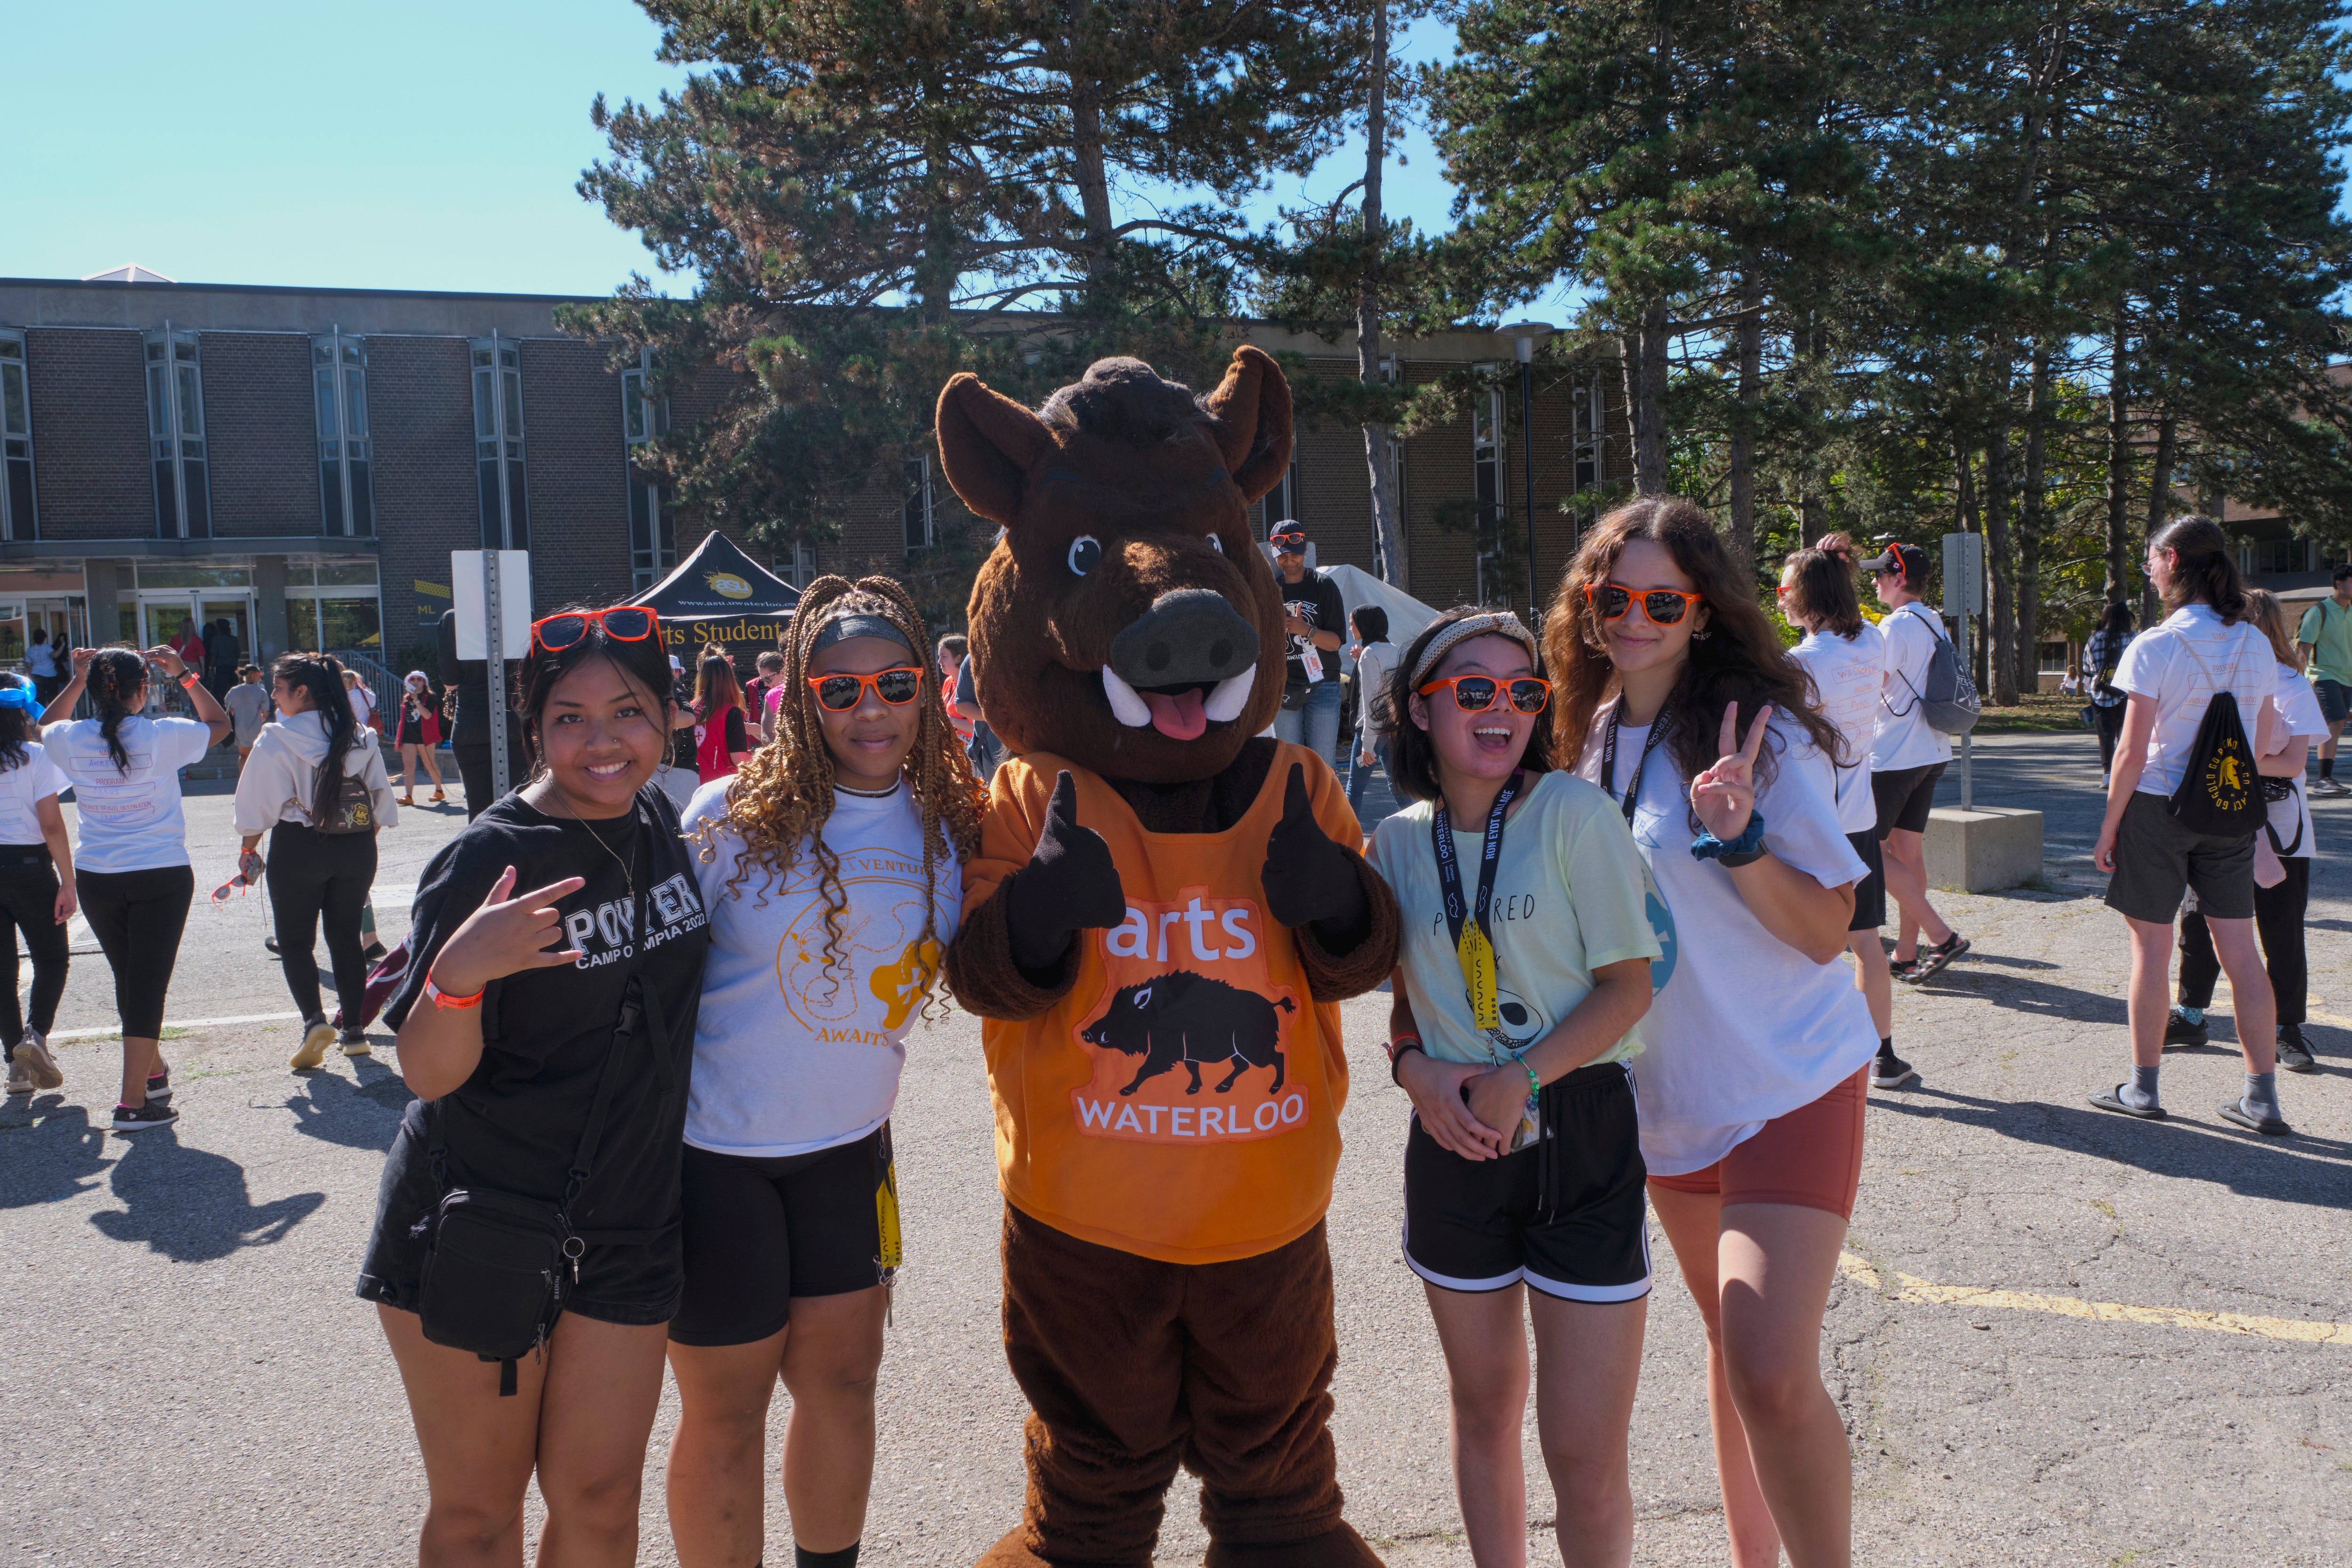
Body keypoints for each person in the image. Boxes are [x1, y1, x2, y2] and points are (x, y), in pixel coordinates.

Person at [1553, 497, 1875, 1568]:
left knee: (1770, 1366)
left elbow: (1830, 931)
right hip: (1670, 1098)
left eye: (1662, 600)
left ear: (1701, 613)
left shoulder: (1756, 732)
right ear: (1588, 606)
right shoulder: (1584, 734)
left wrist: (1737, 841)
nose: (1634, 617)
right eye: (1615, 597)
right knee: (1732, 1350)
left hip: (1788, 1078)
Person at [359, 602, 711, 1565]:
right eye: (569, 717)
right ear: (535, 728)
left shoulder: (661, 821)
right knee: (479, 1514)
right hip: (479, 1218)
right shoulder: (488, 858)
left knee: (600, 1500)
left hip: (630, 1222)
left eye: (629, 710)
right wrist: (461, 972)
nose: (601, 740)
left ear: (671, 715)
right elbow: (429, 1071)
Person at [668, 577, 983, 1568]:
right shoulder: (730, 816)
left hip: (849, 1153)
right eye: (837, 689)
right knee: (728, 1410)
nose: (869, 708)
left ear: (926, 689)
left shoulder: (953, 829)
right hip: (714, 1156)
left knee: (844, 1385)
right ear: (801, 696)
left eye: (893, 683)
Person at [1367, 607, 1659, 1568]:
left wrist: (1521, 1076)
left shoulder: (1576, 814)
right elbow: (1404, 1009)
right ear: (1420, 708)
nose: (1504, 709)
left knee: (1583, 1449)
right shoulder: (1395, 844)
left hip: (1578, 1128)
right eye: (1475, 690)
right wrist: (1415, 1074)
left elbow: (1629, 986)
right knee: (1483, 1409)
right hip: (1452, 1141)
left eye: (1523, 692)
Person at [2090, 514, 2289, 1136]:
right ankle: (2261, 1099)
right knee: (2242, 954)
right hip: (2228, 805)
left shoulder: (2154, 645)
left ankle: (2142, 1088)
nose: (2148, 569)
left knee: (2150, 949)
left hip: (2156, 803)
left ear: (2174, 561)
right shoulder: (2256, 643)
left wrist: (2109, 825)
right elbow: (2256, 746)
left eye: (2152, 558)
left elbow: (2130, 750)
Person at [40, 644, 231, 1132]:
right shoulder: (164, 734)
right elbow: (221, 724)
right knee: (145, 984)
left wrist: (77, 679)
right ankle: (131, 1104)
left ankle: (153, 1071)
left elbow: (42, 725)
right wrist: (185, 674)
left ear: (96, 688)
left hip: (98, 875)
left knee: (130, 978)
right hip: (160, 873)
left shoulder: (70, 737)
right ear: (142, 689)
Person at [2170, 588, 2325, 1075]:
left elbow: (2295, 762)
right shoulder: (2222, 682)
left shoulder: (2290, 685)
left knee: (2280, 927)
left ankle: (2287, 1029)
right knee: (2198, 919)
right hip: (2220, 819)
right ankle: (2190, 1014)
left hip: (2280, 828)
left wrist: (2231, 760)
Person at [1781, 535, 1910, 1090]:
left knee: (1796, 945)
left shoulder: (1799, 664)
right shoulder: (1873, 643)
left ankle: (1800, 1057)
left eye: (1784, 587)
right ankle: (1882, 1056)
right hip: (1857, 818)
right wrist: (1827, 562)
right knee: (1864, 943)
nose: (1778, 596)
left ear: (1804, 595)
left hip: (1810, 824)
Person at [235, 652, 399, 1068]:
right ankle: (356, 1031)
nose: (273, 695)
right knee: (346, 938)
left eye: (278, 687)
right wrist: (356, 838)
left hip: (299, 844)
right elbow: (381, 800)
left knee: (295, 941)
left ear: (302, 691)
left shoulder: (277, 738)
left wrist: (248, 850)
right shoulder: (359, 734)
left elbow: (257, 806)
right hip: (357, 844)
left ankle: (314, 1022)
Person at [1860, 542, 1970, 982]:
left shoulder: (1894, 627)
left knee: (1864, 847)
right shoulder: (1933, 620)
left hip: (1894, 753)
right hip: (1932, 750)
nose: (1874, 580)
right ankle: (1906, 953)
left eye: (1880, 573)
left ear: (1899, 578)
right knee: (1908, 852)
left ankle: (1942, 936)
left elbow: (1872, 686)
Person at [0, 679, 74, 1099]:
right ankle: (37, 1035)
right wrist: (68, 881)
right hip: (30, 867)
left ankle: (16, 1068)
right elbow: (51, 824)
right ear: (22, 714)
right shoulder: (35, 756)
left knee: (1, 972)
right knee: (52, 958)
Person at [436, 605, 530, 822]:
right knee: (519, 808)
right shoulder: (522, 612)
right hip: (515, 720)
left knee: (479, 812)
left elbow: (450, 681)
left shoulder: (453, 619)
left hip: (471, 723)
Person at [1270, 522, 1347, 764]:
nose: (1290, 560)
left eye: (1295, 554)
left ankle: (1324, 805)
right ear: (1275, 555)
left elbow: (1335, 644)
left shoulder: (1324, 586)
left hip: (1322, 686)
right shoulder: (1270, 590)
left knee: (1323, 765)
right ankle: (1295, 805)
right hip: (1284, 687)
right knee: (1289, 765)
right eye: (1284, 556)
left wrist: (1306, 630)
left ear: (1304, 552)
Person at [2294, 561, 2352, 796]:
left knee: (2337, 726)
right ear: (2339, 584)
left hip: (2347, 678)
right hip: (2323, 675)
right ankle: (2323, 779)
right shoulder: (2319, 612)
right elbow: (2304, 649)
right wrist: (2299, 681)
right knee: (2335, 721)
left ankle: (2325, 777)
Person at [1346, 605, 1398, 818]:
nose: (1350, 628)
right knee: (1401, 790)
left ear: (1365, 625)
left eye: (1353, 623)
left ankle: (1345, 839)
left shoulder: (1369, 654)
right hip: (1394, 729)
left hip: (1371, 731)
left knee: (1354, 790)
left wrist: (1367, 744)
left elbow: (1372, 703)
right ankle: (1421, 834)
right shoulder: (1394, 649)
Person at [2083, 601, 2136, 784]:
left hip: (2101, 693)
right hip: (2127, 693)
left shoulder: (2095, 639)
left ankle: (2107, 774)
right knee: (2125, 734)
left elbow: (2088, 669)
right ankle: (2126, 773)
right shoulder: (2133, 639)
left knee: (2105, 735)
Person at [691, 649, 752, 784]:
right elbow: (739, 759)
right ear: (729, 679)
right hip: (722, 788)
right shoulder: (731, 712)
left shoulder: (690, 710)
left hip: (692, 785)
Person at [391, 670, 446, 806]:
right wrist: (399, 738)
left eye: (419, 679)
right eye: (412, 679)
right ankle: (408, 796)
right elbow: (403, 719)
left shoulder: (430, 697)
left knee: (430, 764)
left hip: (425, 736)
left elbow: (427, 715)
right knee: (409, 766)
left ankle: (439, 791)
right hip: (409, 736)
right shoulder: (406, 698)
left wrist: (417, 701)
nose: (416, 682)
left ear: (424, 682)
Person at [225, 663, 271, 768]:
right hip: (256, 729)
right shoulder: (261, 692)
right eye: (259, 674)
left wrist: (235, 713)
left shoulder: (234, 691)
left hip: (240, 728)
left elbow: (228, 706)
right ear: (254, 675)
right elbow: (266, 712)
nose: (260, 677)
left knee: (243, 756)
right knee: (256, 757)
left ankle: (242, 781)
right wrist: (263, 718)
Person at [937, 633, 976, 748]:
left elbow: (975, 727)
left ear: (958, 658)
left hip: (969, 747)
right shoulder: (949, 681)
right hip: (953, 745)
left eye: (943, 657)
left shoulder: (971, 685)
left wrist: (946, 719)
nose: (939, 661)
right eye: (939, 657)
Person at [745, 649, 786, 739]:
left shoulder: (774, 695)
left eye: (768, 679)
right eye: (762, 680)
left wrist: (761, 731)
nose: (765, 684)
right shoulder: (773, 695)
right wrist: (756, 732)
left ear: (783, 672)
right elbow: (767, 741)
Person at [205, 617, 240, 699]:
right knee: (233, 688)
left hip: (222, 667)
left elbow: (213, 655)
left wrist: (210, 668)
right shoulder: (234, 639)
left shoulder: (216, 639)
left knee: (221, 689)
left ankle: (224, 707)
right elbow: (238, 654)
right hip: (233, 667)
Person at [24, 628, 59, 707]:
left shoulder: (30, 650)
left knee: (40, 699)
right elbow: (55, 655)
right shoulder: (47, 647)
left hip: (37, 675)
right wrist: (63, 645)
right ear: (44, 638)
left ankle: (40, 717)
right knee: (53, 698)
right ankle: (54, 716)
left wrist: (28, 678)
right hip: (50, 675)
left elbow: (29, 666)